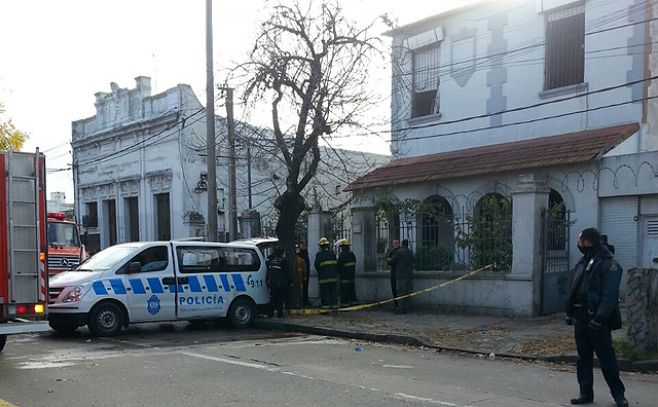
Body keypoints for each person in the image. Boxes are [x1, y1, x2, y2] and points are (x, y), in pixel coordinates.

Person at [566, 228, 628, 407]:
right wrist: (569, 313)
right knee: (583, 357)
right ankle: (585, 393)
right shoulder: (583, 261)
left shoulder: (608, 264)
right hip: (580, 316)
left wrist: (600, 318)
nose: (578, 244)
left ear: (588, 242)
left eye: (581, 241)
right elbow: (575, 289)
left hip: (597, 319)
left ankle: (619, 395)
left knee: (606, 358)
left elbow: (609, 296)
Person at [390, 239, 413, 314]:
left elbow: (392, 261)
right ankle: (406, 308)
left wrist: (388, 259)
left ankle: (400, 309)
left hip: (400, 275)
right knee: (407, 293)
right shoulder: (410, 252)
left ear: (402, 244)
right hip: (409, 275)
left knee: (400, 293)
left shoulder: (398, 252)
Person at [314, 237, 338, 308]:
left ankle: (325, 307)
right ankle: (334, 306)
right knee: (333, 292)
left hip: (323, 278)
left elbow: (316, 265)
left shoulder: (319, 255)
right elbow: (336, 264)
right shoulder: (332, 254)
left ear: (321, 246)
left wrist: (320, 272)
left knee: (324, 293)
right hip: (333, 277)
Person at [266, 247, 289, 318]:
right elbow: (286, 273)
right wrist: (290, 281)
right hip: (280, 283)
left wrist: (267, 281)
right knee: (280, 299)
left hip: (272, 283)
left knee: (273, 298)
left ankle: (270, 313)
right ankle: (280, 314)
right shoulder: (283, 261)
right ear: (282, 253)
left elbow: (268, 272)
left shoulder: (272, 261)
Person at [337, 238, 357, 305]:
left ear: (343, 247)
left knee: (344, 291)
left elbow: (339, 266)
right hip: (352, 276)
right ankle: (353, 302)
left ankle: (344, 303)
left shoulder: (342, 255)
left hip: (344, 277)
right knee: (352, 290)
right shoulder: (352, 254)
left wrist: (338, 272)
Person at [386, 240, 401, 310]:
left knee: (399, 290)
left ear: (399, 243)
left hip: (399, 273)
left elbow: (392, 260)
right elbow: (388, 261)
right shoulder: (392, 252)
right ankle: (396, 305)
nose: (395, 244)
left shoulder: (400, 251)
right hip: (393, 273)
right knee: (394, 290)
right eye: (394, 243)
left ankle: (399, 306)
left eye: (397, 243)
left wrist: (391, 259)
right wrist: (391, 260)